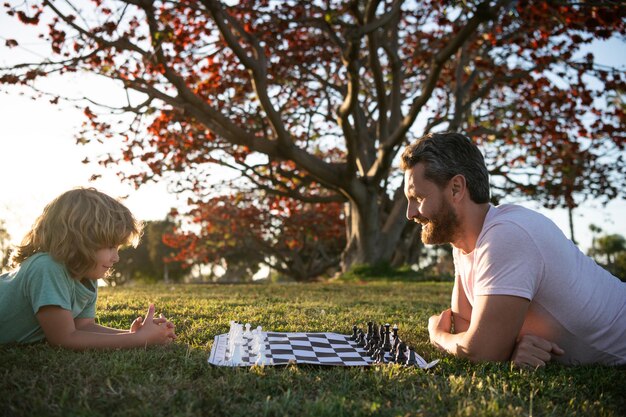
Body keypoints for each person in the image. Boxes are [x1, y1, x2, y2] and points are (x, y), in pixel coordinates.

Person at [401, 132, 626, 367]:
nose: (410, 213)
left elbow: (481, 351)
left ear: (456, 189)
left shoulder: (507, 234)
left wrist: (439, 336)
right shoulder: (466, 244)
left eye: (417, 197)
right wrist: (510, 348)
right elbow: (468, 327)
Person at [0, 187, 177, 350]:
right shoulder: (47, 267)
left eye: (118, 248)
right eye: (110, 246)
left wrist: (134, 334)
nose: (116, 258)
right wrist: (138, 340)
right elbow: (64, 338)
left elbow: (83, 327)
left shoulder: (87, 276)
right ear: (79, 241)